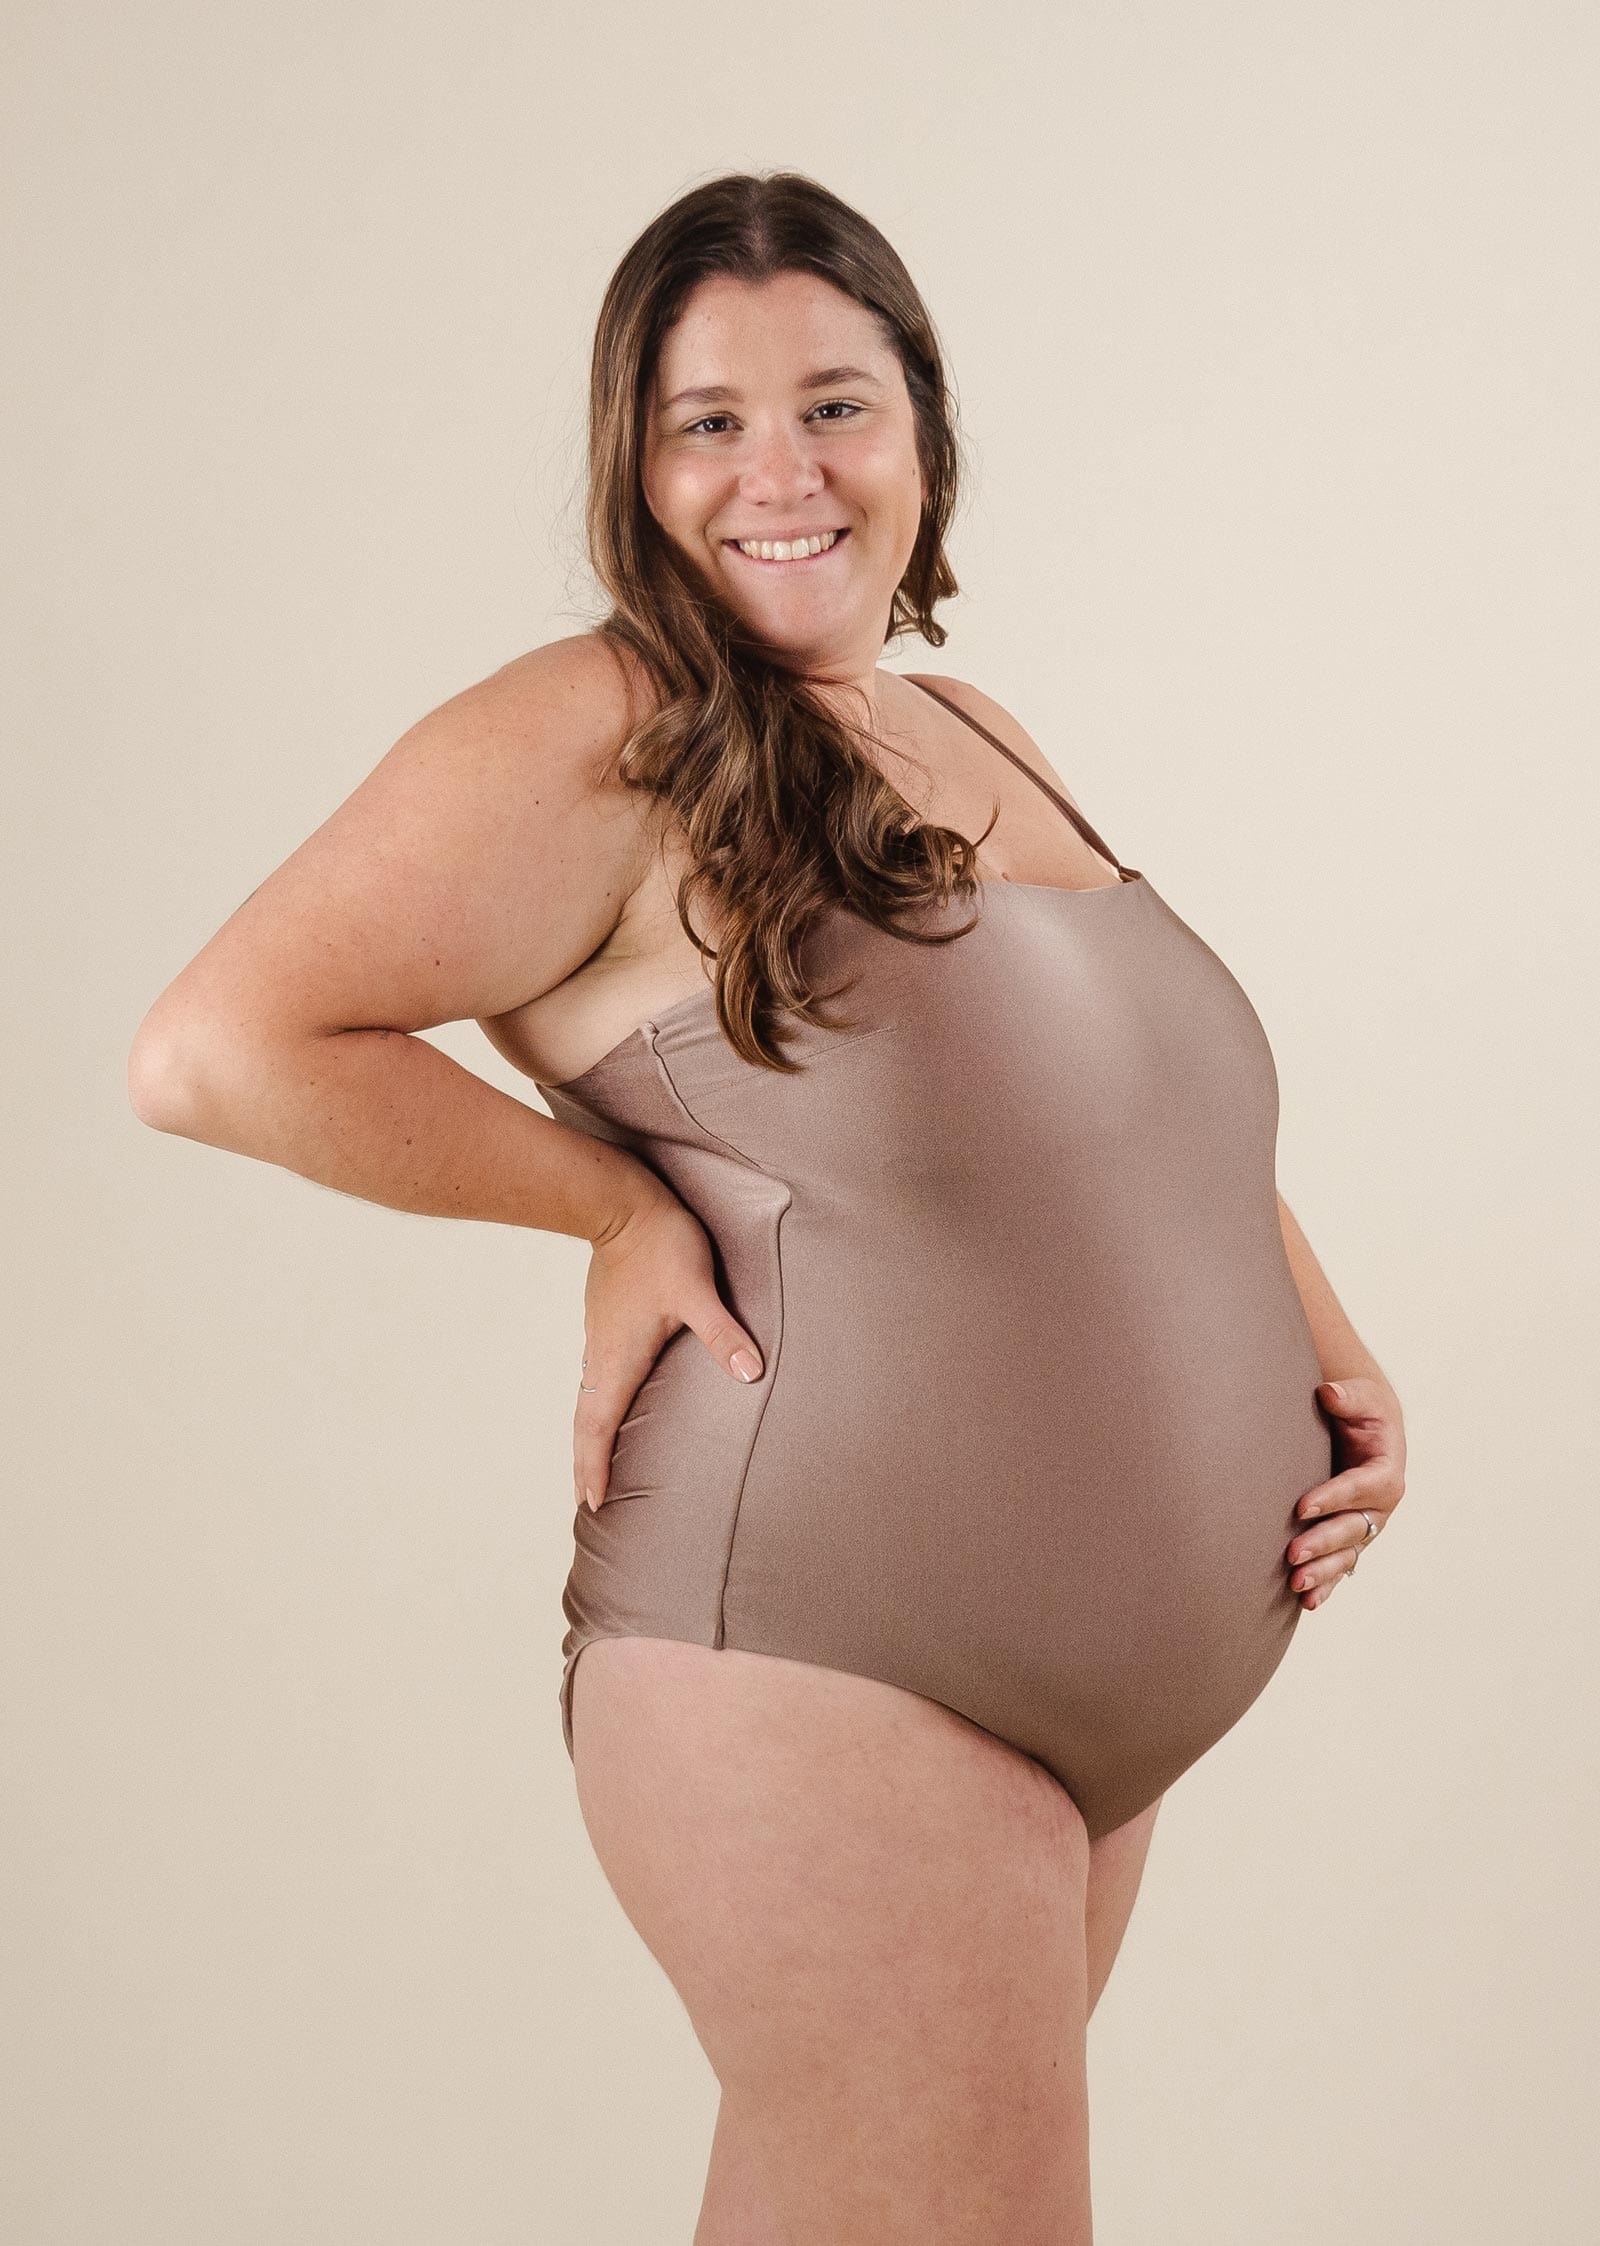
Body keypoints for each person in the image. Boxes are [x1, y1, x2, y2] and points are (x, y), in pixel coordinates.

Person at [129, 170, 1408, 2243]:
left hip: (1096, 1699)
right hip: (825, 1665)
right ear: (633, 469)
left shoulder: (966, 728)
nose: (777, 472)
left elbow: (1124, 1127)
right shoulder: (597, 732)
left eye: (833, 403)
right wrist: (605, 1209)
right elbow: (214, 1048)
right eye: (703, 420)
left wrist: (1329, 1363)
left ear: (921, 431)